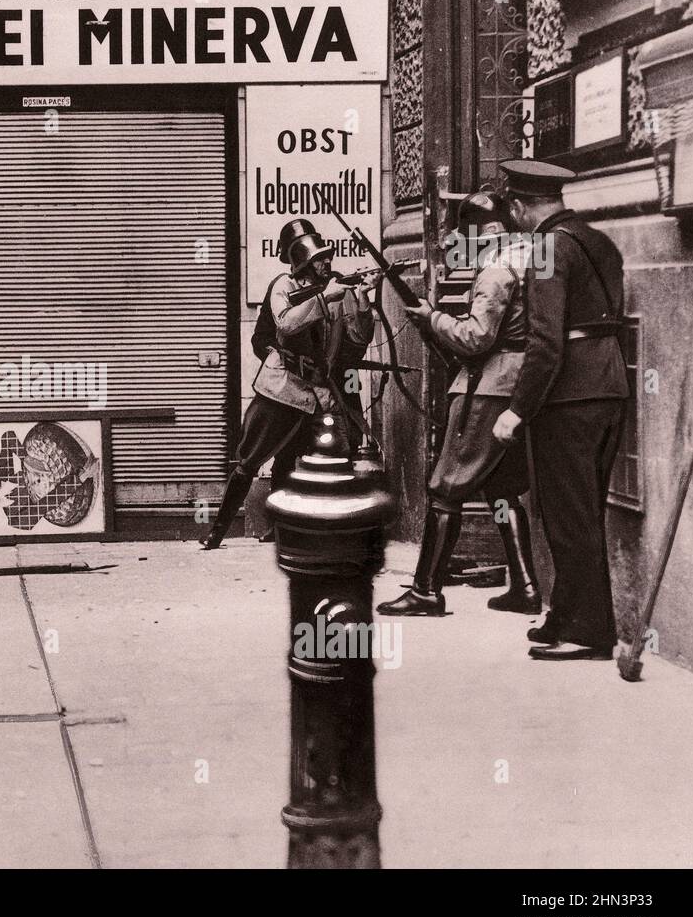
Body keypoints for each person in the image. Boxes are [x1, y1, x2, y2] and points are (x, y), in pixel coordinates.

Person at [489, 160, 629, 661]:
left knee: (569, 515)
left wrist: (517, 410)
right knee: (583, 509)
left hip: (568, 398)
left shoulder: (547, 249)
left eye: (514, 210)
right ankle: (565, 615)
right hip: (610, 387)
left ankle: (589, 632)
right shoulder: (600, 242)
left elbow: (546, 343)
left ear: (523, 206)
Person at [378, 192, 541, 618]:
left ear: (483, 235)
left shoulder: (495, 271)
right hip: (515, 385)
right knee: (502, 489)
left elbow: (477, 337)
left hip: (486, 389)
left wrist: (432, 318)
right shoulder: (529, 258)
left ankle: (426, 591)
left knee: (445, 487)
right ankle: (524, 587)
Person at [200, 219, 374, 549]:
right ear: (306, 262)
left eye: (327, 257)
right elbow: (285, 324)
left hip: (318, 394)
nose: (328, 263)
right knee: (249, 460)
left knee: (332, 457)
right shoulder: (284, 285)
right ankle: (217, 530)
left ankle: (320, 534)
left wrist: (362, 299)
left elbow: (357, 339)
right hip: (281, 389)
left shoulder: (336, 291)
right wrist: (324, 300)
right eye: (321, 258)